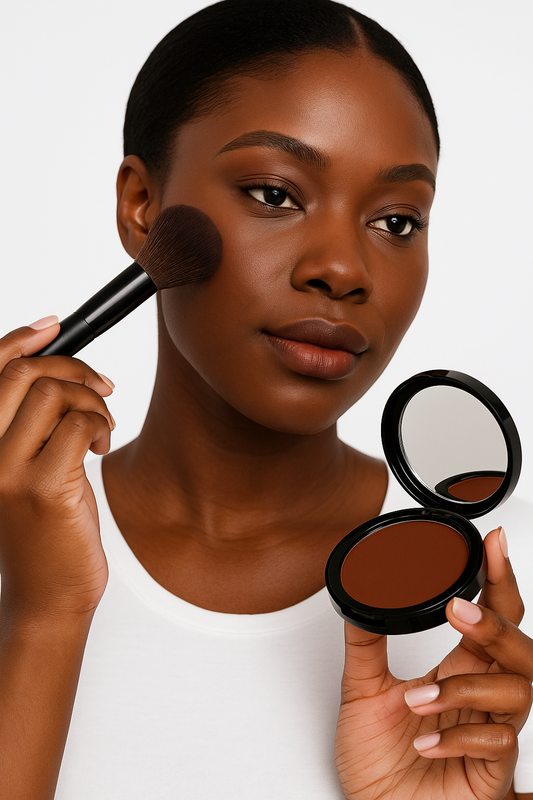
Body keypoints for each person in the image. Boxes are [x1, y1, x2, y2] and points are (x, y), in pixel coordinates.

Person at [0, 1, 531, 798]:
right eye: (274, 195)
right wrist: (43, 616)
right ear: (143, 208)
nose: (342, 269)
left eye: (395, 219)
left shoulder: (500, 600)